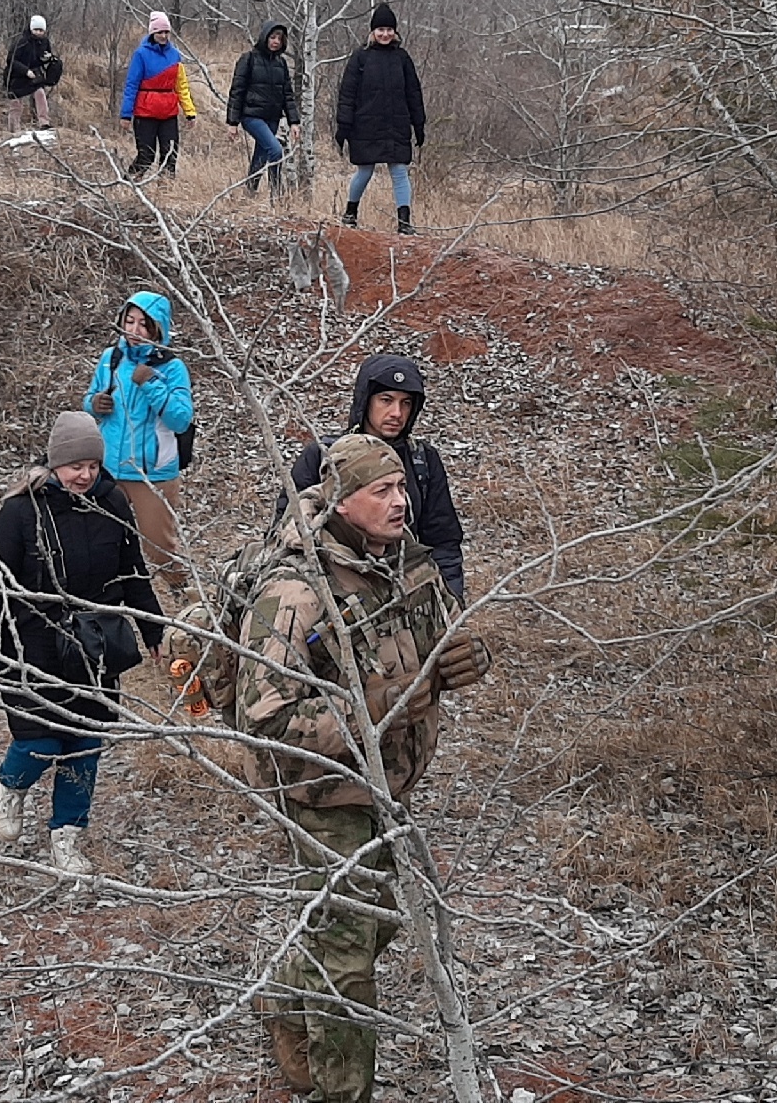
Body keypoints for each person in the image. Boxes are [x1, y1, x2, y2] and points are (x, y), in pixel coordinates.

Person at [237, 434, 493, 1101]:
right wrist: (372, 712)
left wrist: (469, 656)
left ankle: (284, 992)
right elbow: (263, 720)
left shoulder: (407, 560)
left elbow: (442, 635)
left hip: (391, 778)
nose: (400, 500)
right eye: (382, 490)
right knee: (349, 957)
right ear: (343, 500)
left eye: (403, 487)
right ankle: (341, 1089)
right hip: (323, 791)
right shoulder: (296, 588)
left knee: (374, 921)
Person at [0, 411, 164, 877]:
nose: (85, 475)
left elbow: (133, 571)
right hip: (34, 641)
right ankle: (11, 787)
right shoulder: (20, 512)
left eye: (93, 466)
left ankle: (67, 838)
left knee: (86, 742)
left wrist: (155, 629)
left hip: (96, 642)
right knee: (42, 737)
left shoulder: (113, 503)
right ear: (56, 463)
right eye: (76, 465)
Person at [284, 354, 465, 602]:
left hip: (406, 596)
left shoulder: (422, 460)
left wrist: (449, 607)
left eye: (406, 403)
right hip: (335, 596)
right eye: (386, 400)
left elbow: (444, 544)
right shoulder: (323, 457)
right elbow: (288, 533)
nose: (397, 413)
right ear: (365, 401)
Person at [82, 291, 194, 593]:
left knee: (159, 549)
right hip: (108, 469)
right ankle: (103, 595)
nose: (134, 330)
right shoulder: (111, 358)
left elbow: (181, 419)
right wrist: (94, 403)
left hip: (152, 474)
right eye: (129, 321)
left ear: (159, 328)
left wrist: (150, 383)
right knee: (99, 538)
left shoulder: (171, 368)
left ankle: (186, 600)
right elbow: (90, 398)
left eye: (144, 324)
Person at [335, 3, 425, 234]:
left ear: (395, 32)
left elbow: (413, 92)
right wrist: (343, 126)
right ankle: (350, 214)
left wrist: (419, 123)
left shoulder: (403, 58)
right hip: (366, 125)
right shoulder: (360, 58)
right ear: (372, 32)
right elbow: (347, 93)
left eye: (389, 29)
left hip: (397, 124)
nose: (385, 34)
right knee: (365, 170)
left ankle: (405, 224)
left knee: (400, 171)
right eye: (380, 30)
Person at [118, 11, 196, 180]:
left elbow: (181, 86)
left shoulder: (175, 55)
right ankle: (129, 184)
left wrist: (190, 112)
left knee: (170, 155)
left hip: (168, 113)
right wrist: (126, 114)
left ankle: (165, 191)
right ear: (152, 33)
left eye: (166, 32)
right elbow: (132, 85)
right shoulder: (141, 54)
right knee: (146, 156)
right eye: (160, 32)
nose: (163, 35)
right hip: (145, 113)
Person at [227, 21, 298, 197]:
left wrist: (294, 122)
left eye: (279, 39)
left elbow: (287, 94)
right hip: (251, 116)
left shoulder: (281, 63)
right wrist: (232, 122)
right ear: (265, 37)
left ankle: (249, 194)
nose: (275, 42)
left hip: (272, 117)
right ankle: (277, 197)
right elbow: (237, 90)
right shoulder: (249, 59)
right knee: (275, 150)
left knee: (260, 156)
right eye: (272, 37)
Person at [7, 16, 64, 132]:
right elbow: (11, 60)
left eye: (41, 30)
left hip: (34, 74)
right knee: (16, 103)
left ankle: (44, 123)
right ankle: (13, 130)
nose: (38, 32)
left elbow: (43, 57)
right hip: (16, 75)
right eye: (36, 30)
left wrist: (48, 59)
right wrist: (25, 71)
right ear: (31, 29)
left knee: (40, 94)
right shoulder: (21, 41)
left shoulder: (44, 42)